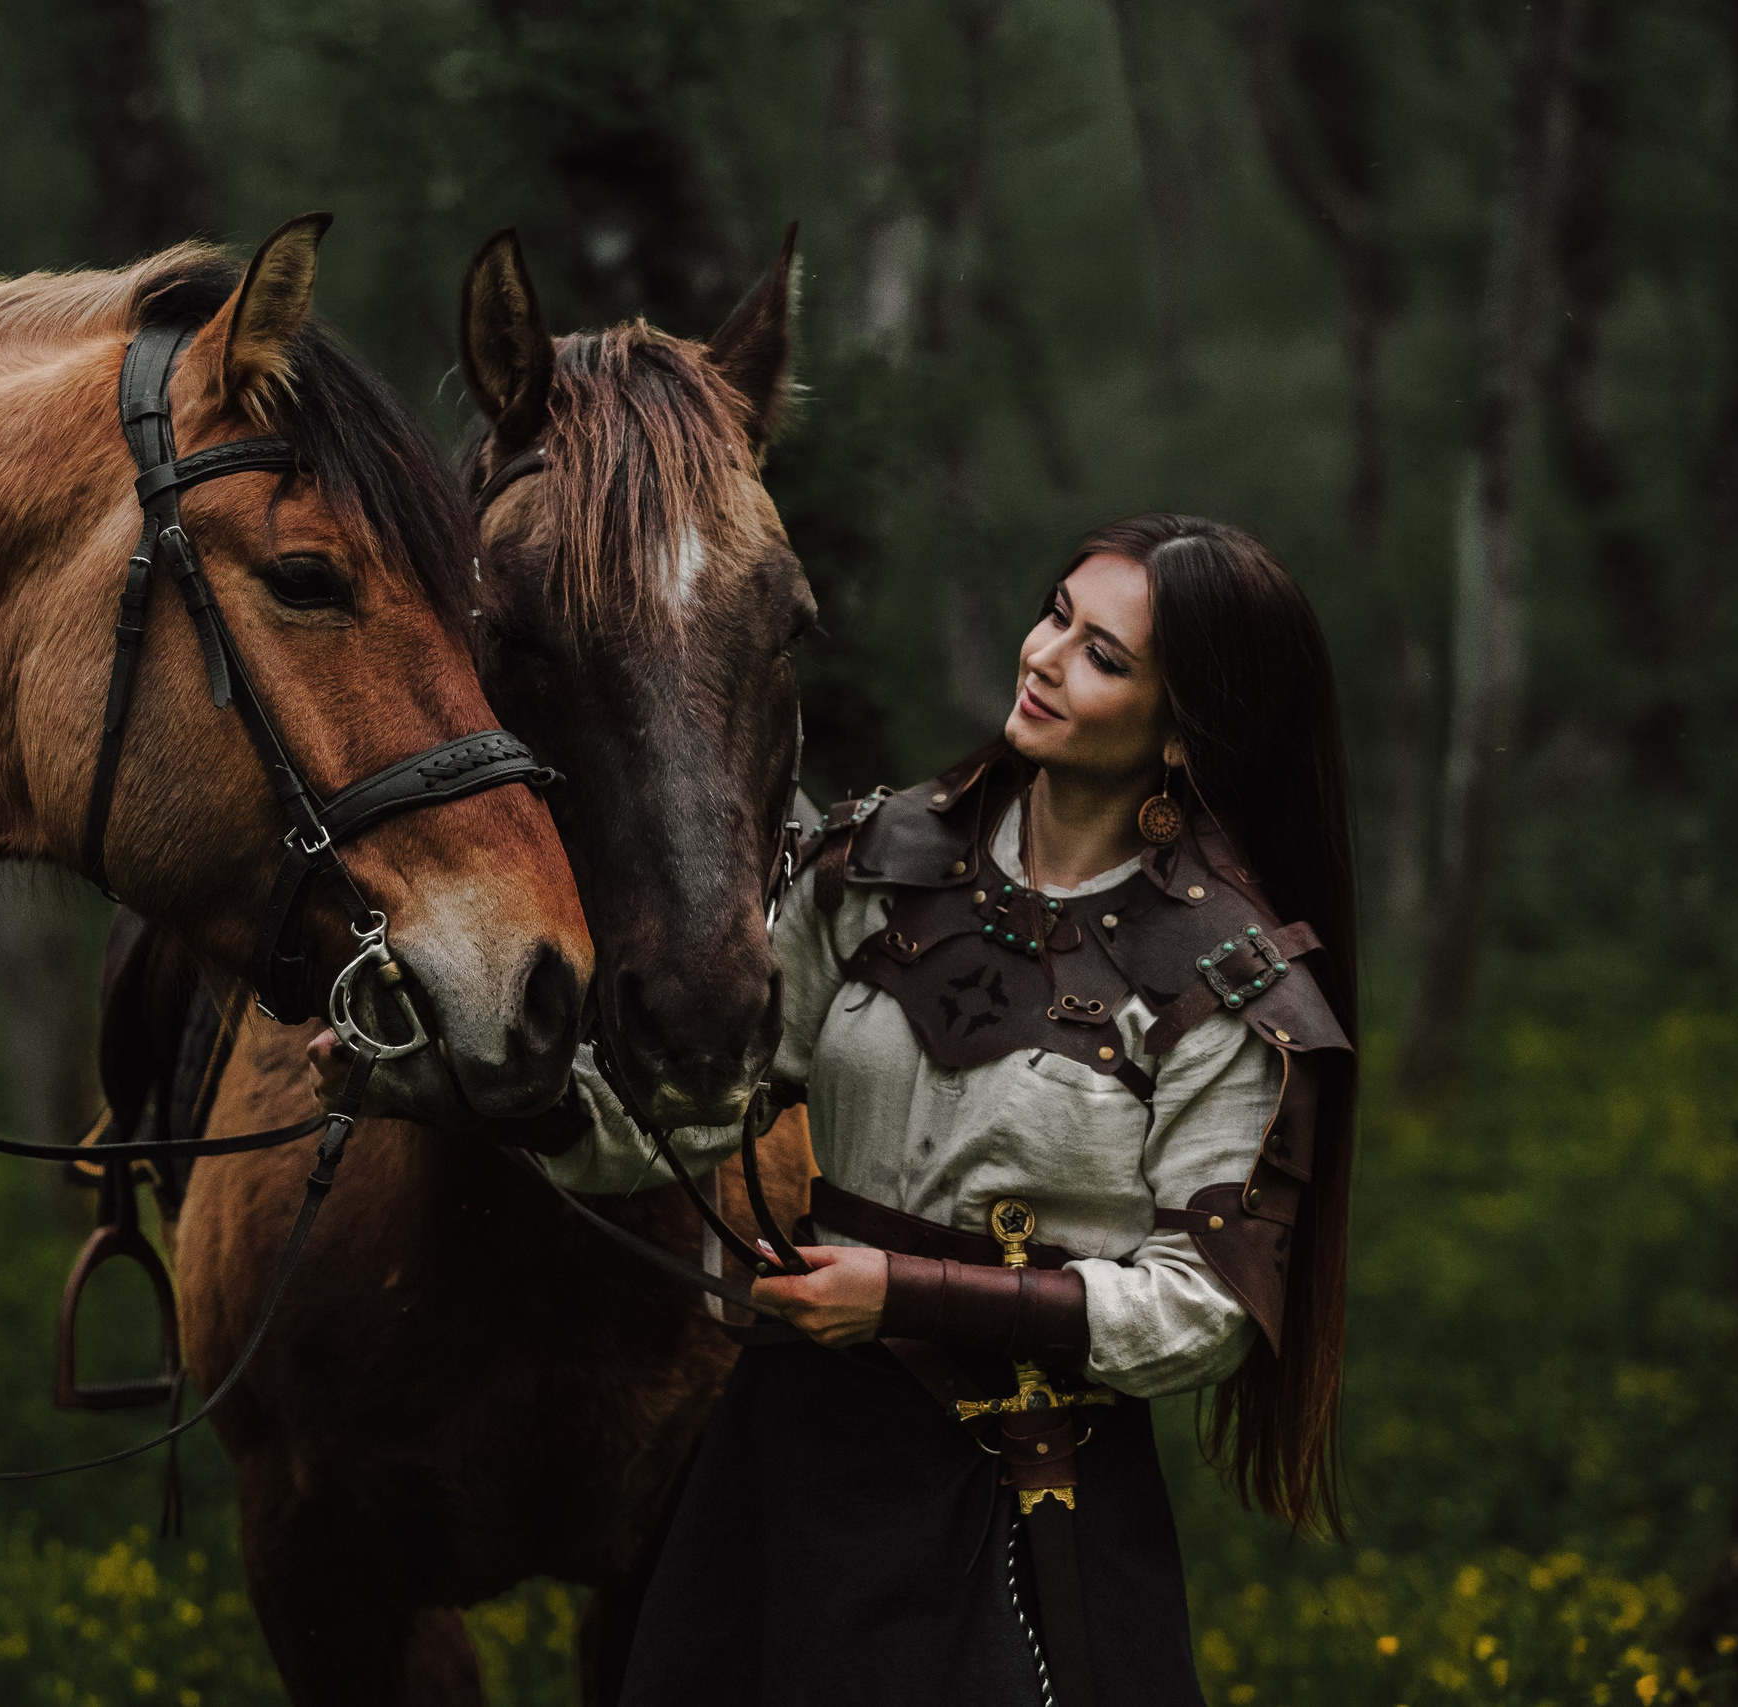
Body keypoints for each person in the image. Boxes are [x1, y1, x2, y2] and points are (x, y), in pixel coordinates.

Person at [529, 514, 1362, 1707]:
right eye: (1056, 613)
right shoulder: (882, 862)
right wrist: (509, 1094)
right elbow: (698, 1110)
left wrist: (905, 1295)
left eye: (1102, 657)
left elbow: (1203, 1312)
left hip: (1021, 1488)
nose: (1044, 656)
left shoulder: (1225, 982)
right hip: (788, 1459)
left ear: (1184, 735)